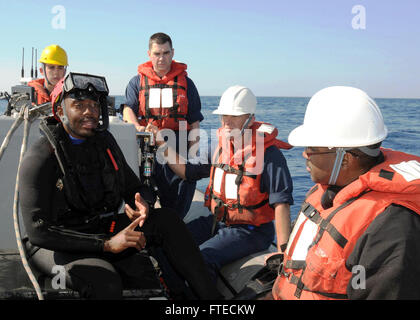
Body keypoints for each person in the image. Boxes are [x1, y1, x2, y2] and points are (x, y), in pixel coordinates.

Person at [18, 72, 222, 300]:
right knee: (105, 283)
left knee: (167, 220)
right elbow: (38, 231)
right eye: (79, 105)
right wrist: (106, 244)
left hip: (97, 228)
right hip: (54, 245)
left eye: (94, 105)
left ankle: (212, 301)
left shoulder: (104, 144)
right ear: (60, 111)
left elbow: (135, 188)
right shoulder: (41, 156)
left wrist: (141, 203)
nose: (89, 112)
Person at [271, 86, 420, 300]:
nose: (304, 154)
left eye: (312, 148)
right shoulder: (327, 189)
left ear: (346, 159)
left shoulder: (392, 229)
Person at [146, 85, 294, 282]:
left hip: (251, 232)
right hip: (219, 222)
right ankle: (174, 291)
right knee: (169, 241)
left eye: (234, 116)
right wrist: (162, 145)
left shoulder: (270, 154)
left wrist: (284, 253)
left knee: (202, 258)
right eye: (224, 115)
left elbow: (281, 203)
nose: (226, 121)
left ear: (250, 118)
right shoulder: (221, 147)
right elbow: (187, 172)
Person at [122, 32, 202, 219]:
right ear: (149, 54)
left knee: (181, 190)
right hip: (147, 145)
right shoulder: (136, 83)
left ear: (172, 53)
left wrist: (193, 152)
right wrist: (137, 126)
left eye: (166, 53)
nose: (161, 58)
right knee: (143, 189)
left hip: (178, 145)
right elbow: (128, 109)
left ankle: (174, 223)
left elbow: (195, 122)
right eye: (157, 53)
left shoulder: (187, 84)